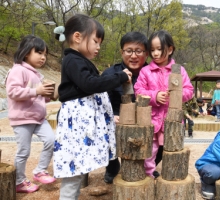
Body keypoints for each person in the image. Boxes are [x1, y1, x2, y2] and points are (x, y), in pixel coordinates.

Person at [52, 14, 132, 199]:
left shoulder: (79, 61)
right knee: (73, 171)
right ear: (78, 37)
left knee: (77, 169)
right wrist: (119, 76)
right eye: (96, 41)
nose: (98, 47)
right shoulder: (73, 61)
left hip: (83, 126)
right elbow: (91, 84)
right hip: (76, 128)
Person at [134, 30, 194, 177]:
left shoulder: (179, 70)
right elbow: (138, 91)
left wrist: (176, 95)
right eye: (152, 50)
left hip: (172, 119)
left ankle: (171, 178)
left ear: (170, 49)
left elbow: (189, 90)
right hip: (152, 120)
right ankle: (148, 175)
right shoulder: (146, 71)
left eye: (159, 49)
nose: (155, 53)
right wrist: (154, 96)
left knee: (172, 150)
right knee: (150, 151)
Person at [5, 35, 56, 193]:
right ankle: (19, 181)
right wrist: (37, 90)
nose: (43, 57)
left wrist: (47, 94)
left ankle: (40, 170)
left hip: (39, 119)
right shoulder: (18, 70)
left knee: (51, 141)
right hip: (22, 119)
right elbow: (13, 92)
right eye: (39, 52)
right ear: (26, 52)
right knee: (24, 151)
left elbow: (39, 98)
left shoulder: (36, 74)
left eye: (45, 54)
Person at [101, 31, 150, 182]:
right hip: (116, 119)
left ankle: (147, 165)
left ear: (146, 54)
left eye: (138, 51)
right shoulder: (110, 73)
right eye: (129, 51)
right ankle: (112, 165)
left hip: (145, 120)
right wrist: (109, 116)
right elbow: (101, 101)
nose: (133, 56)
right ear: (122, 52)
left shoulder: (151, 73)